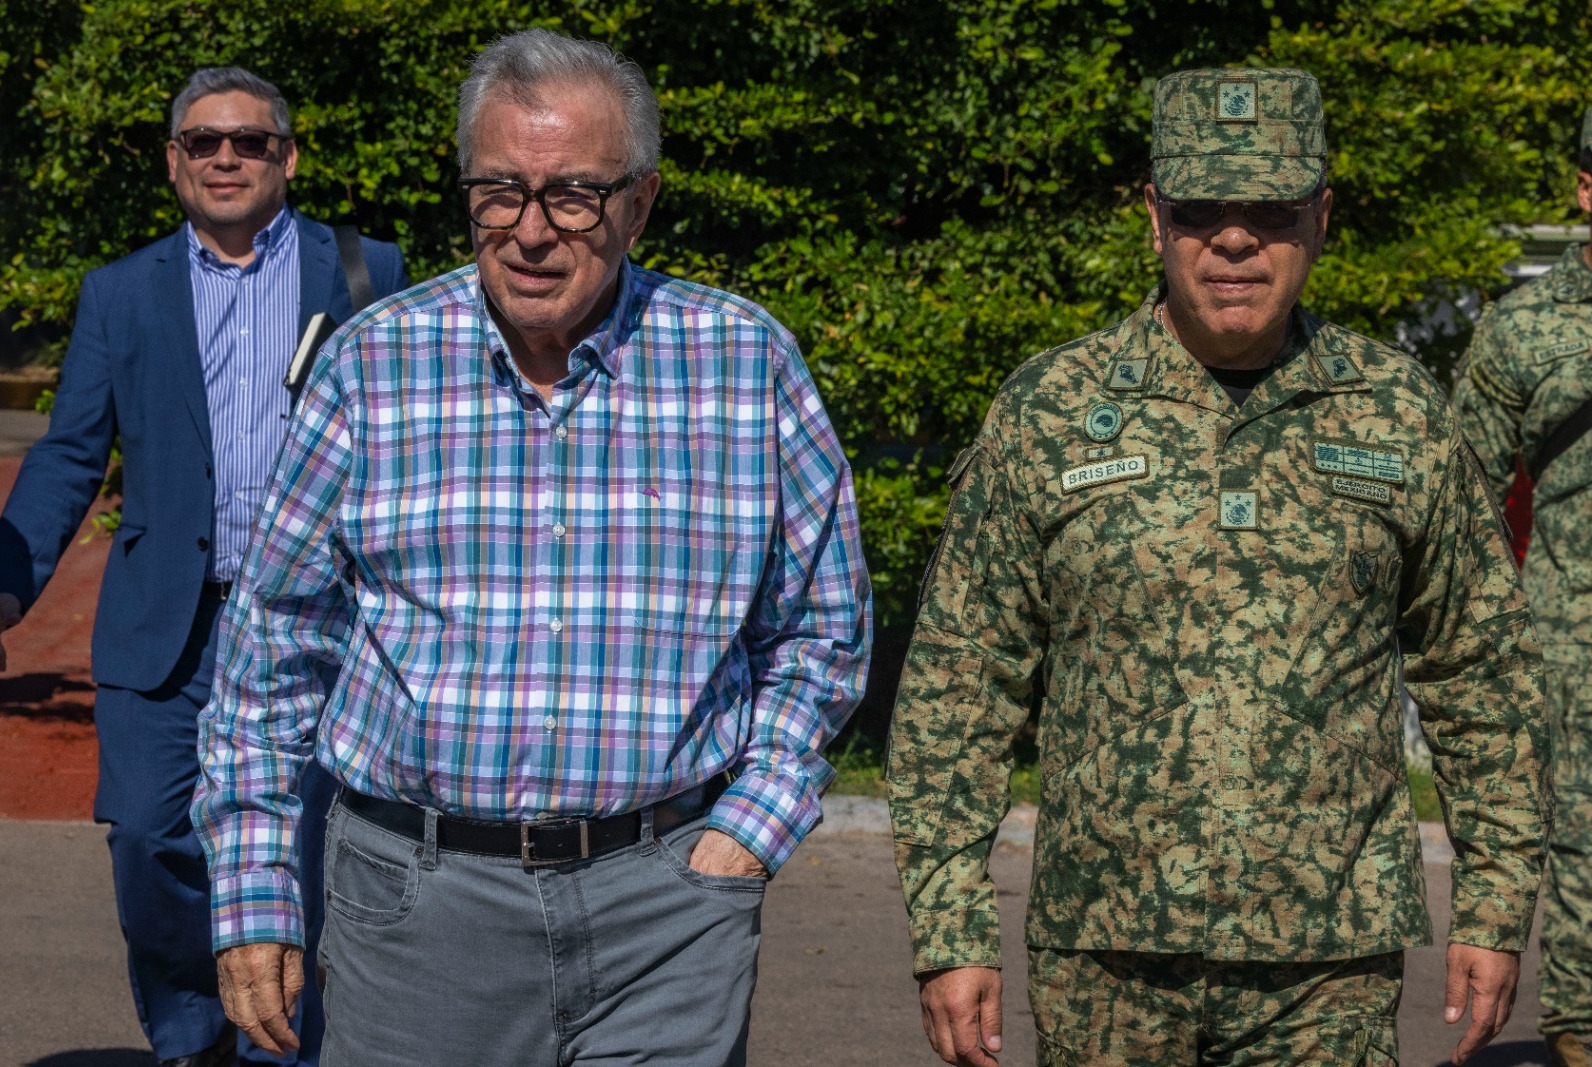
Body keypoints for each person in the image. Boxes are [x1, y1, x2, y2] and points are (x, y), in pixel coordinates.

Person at [191, 28, 870, 1065]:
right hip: (415, 915)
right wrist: (253, 892)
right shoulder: (372, 366)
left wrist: (749, 829)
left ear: (640, 203)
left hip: (669, 909)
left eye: (574, 195)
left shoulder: (744, 363)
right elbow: (269, 651)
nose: (531, 231)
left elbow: (822, 629)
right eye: (499, 191)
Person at [888, 67, 1548, 1067]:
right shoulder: (1049, 409)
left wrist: (1494, 906)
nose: (1234, 239)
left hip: (1328, 967)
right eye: (1202, 209)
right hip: (1105, 960)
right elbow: (960, 682)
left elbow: (1480, 671)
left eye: (1270, 210)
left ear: (1320, 217)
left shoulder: (1398, 412)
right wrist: (949, 928)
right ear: (1156, 217)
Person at [0, 67, 407, 1067]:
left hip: (319, 623)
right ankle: (196, 1034)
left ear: (286, 158)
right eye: (204, 142)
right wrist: (4, 587)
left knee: (302, 853)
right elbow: (69, 454)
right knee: (150, 841)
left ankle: (279, 1051)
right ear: (174, 163)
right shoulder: (121, 292)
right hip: (166, 628)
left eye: (249, 141)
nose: (227, 157)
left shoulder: (366, 273)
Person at [1453, 104, 1592, 1067]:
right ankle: (1582, 1023)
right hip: (1573, 637)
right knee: (1583, 834)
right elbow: (1460, 499)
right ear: (1585, 187)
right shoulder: (1525, 327)